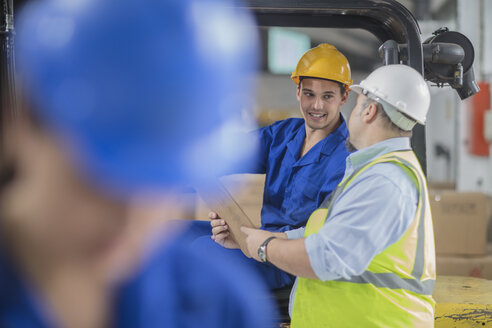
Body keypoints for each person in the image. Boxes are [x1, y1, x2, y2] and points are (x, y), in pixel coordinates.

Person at [0, 0, 276, 327]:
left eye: (158, 179)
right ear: (24, 123)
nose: (128, 217)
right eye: (101, 177)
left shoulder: (218, 305)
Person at [216, 64, 436, 327]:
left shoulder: (384, 181)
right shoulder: (372, 171)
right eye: (309, 94)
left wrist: (264, 248)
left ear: (369, 110)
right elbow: (326, 232)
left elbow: (326, 257)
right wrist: (252, 238)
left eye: (355, 103)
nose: (318, 105)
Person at [193, 43, 353, 290]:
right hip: (260, 241)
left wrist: (255, 240)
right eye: (309, 94)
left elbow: (323, 239)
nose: (317, 106)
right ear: (298, 92)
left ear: (344, 96)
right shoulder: (285, 134)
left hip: (288, 261)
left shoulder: (346, 160)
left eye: (327, 96)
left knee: (199, 252)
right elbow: (233, 153)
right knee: (176, 234)